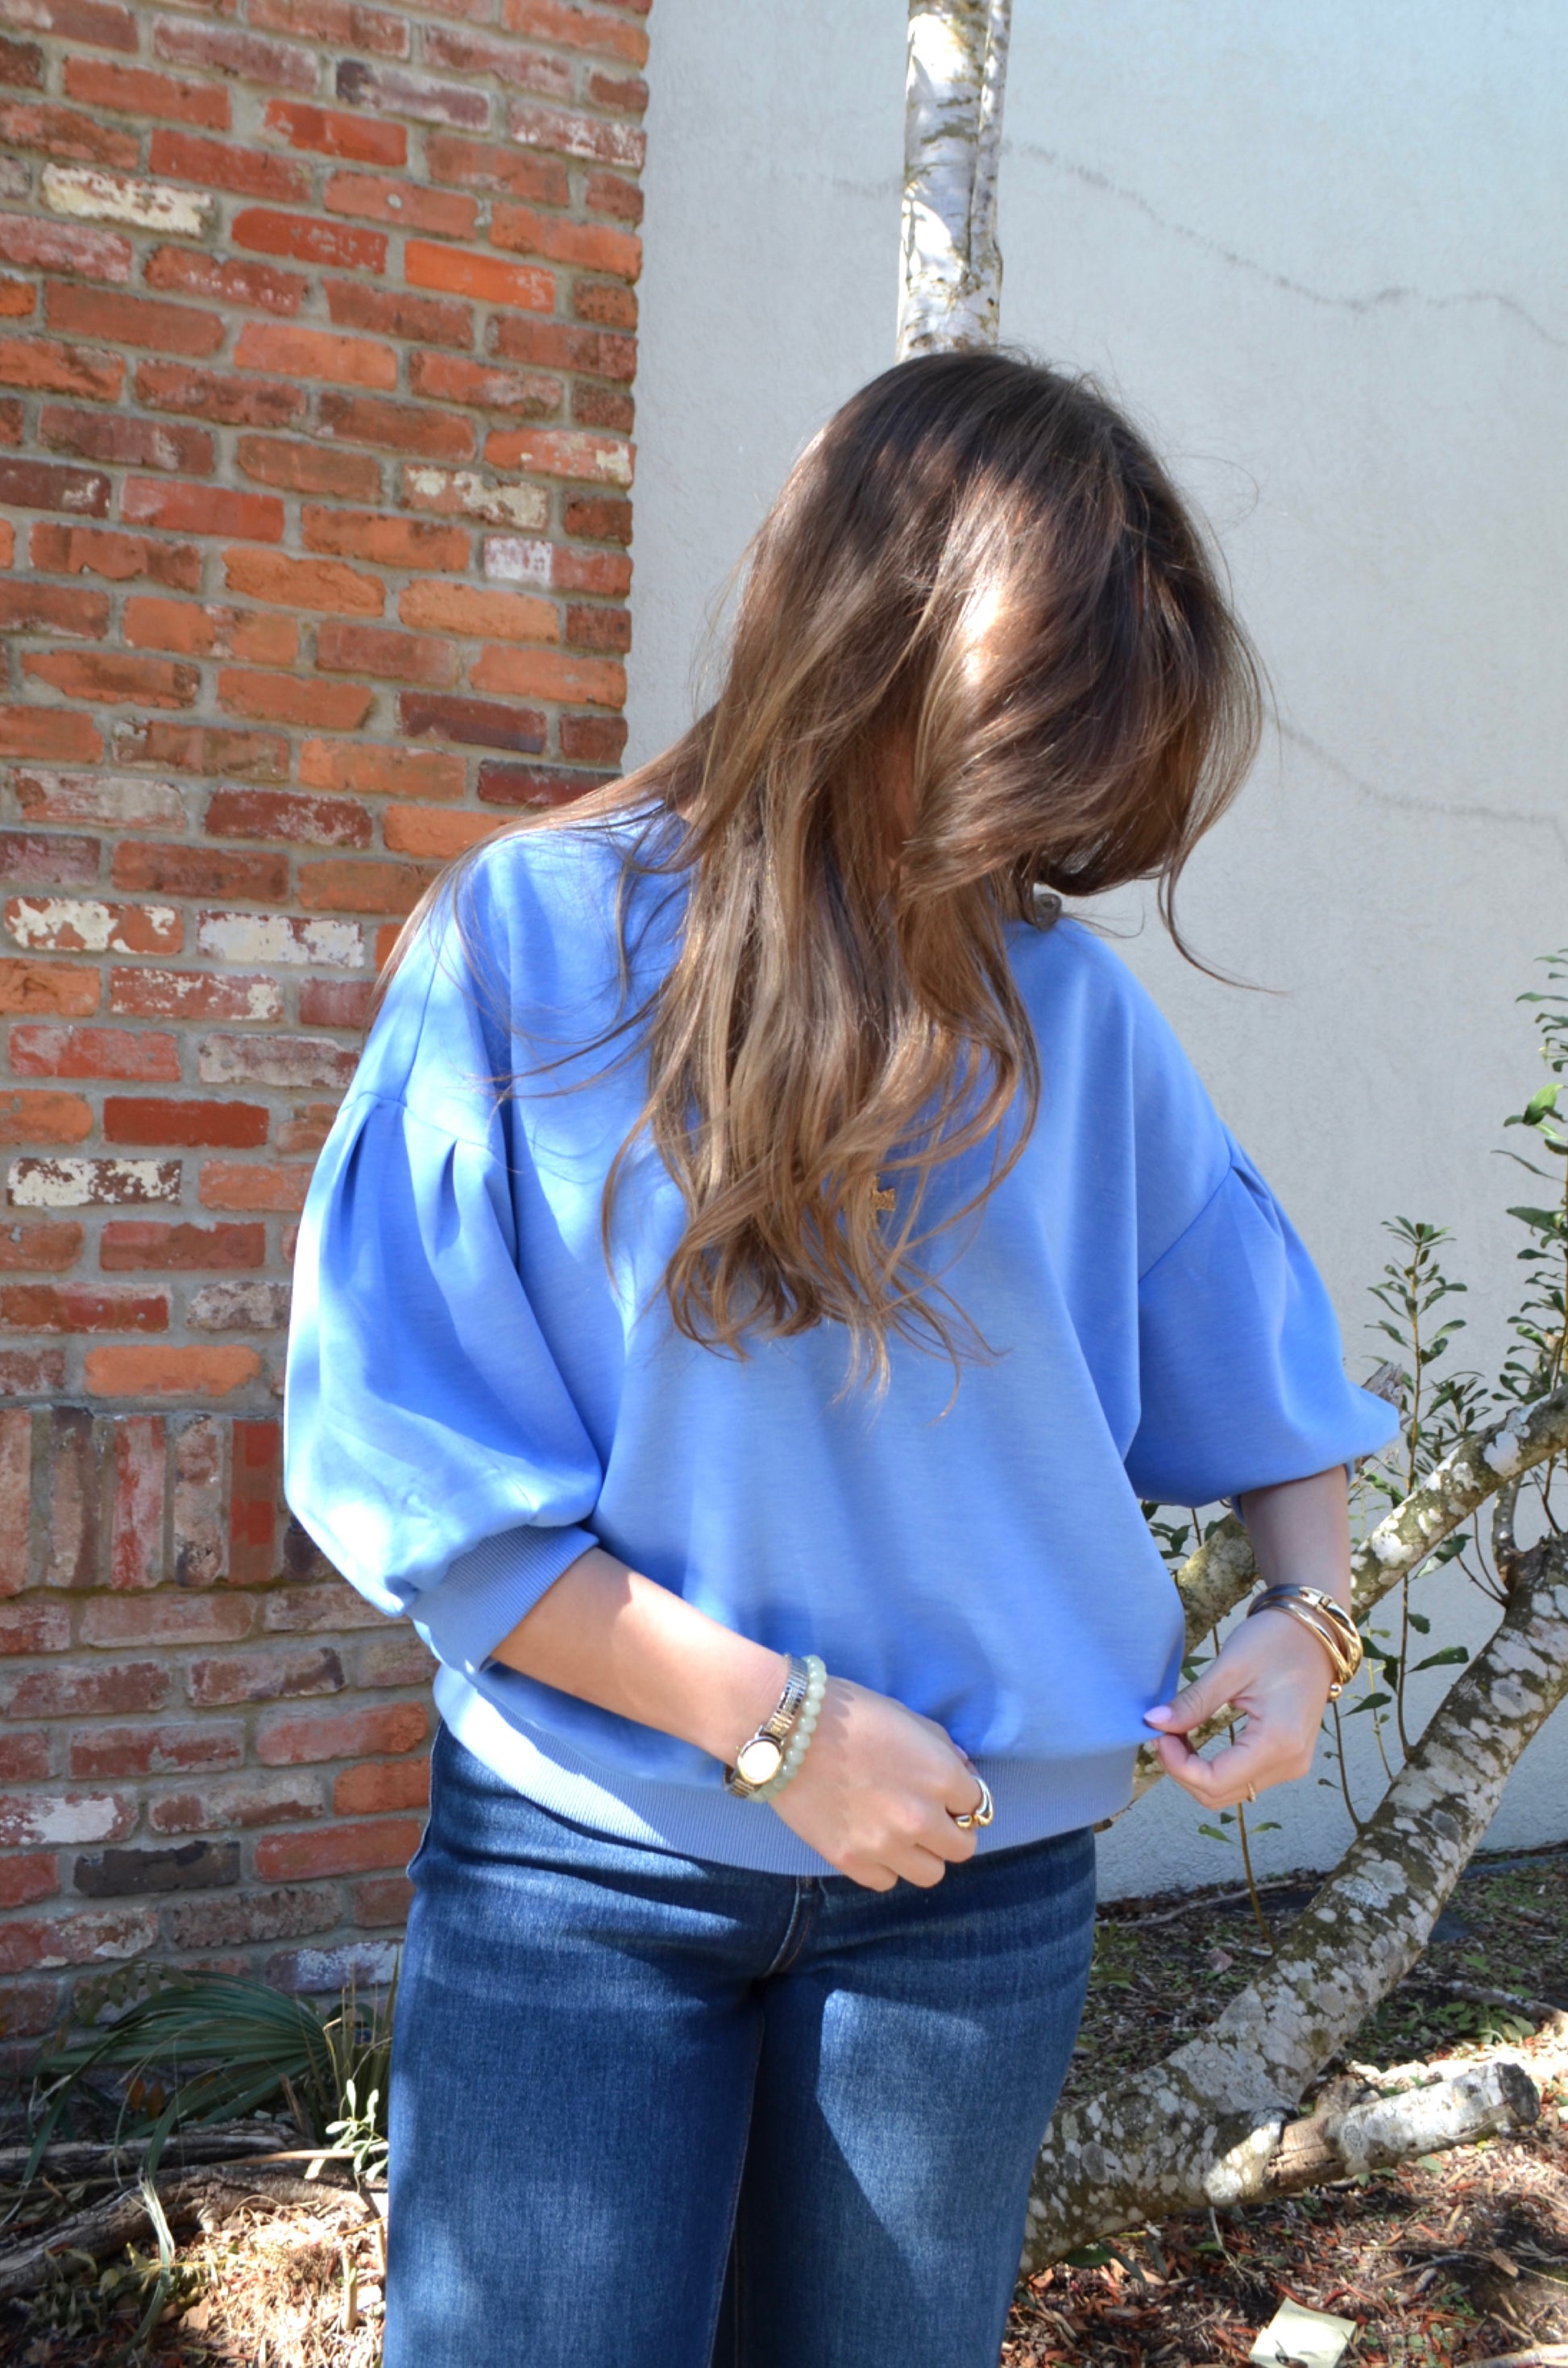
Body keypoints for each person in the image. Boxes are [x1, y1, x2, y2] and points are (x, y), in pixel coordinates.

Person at [284, 350, 1397, 2368]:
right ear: (878, 649)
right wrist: (780, 1730)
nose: (1060, 830)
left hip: (973, 1892)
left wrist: (1305, 1619)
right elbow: (413, 1475)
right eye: (1040, 745)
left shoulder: (1075, 1020)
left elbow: (1266, 1378)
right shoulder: (526, 948)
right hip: (582, 1866)